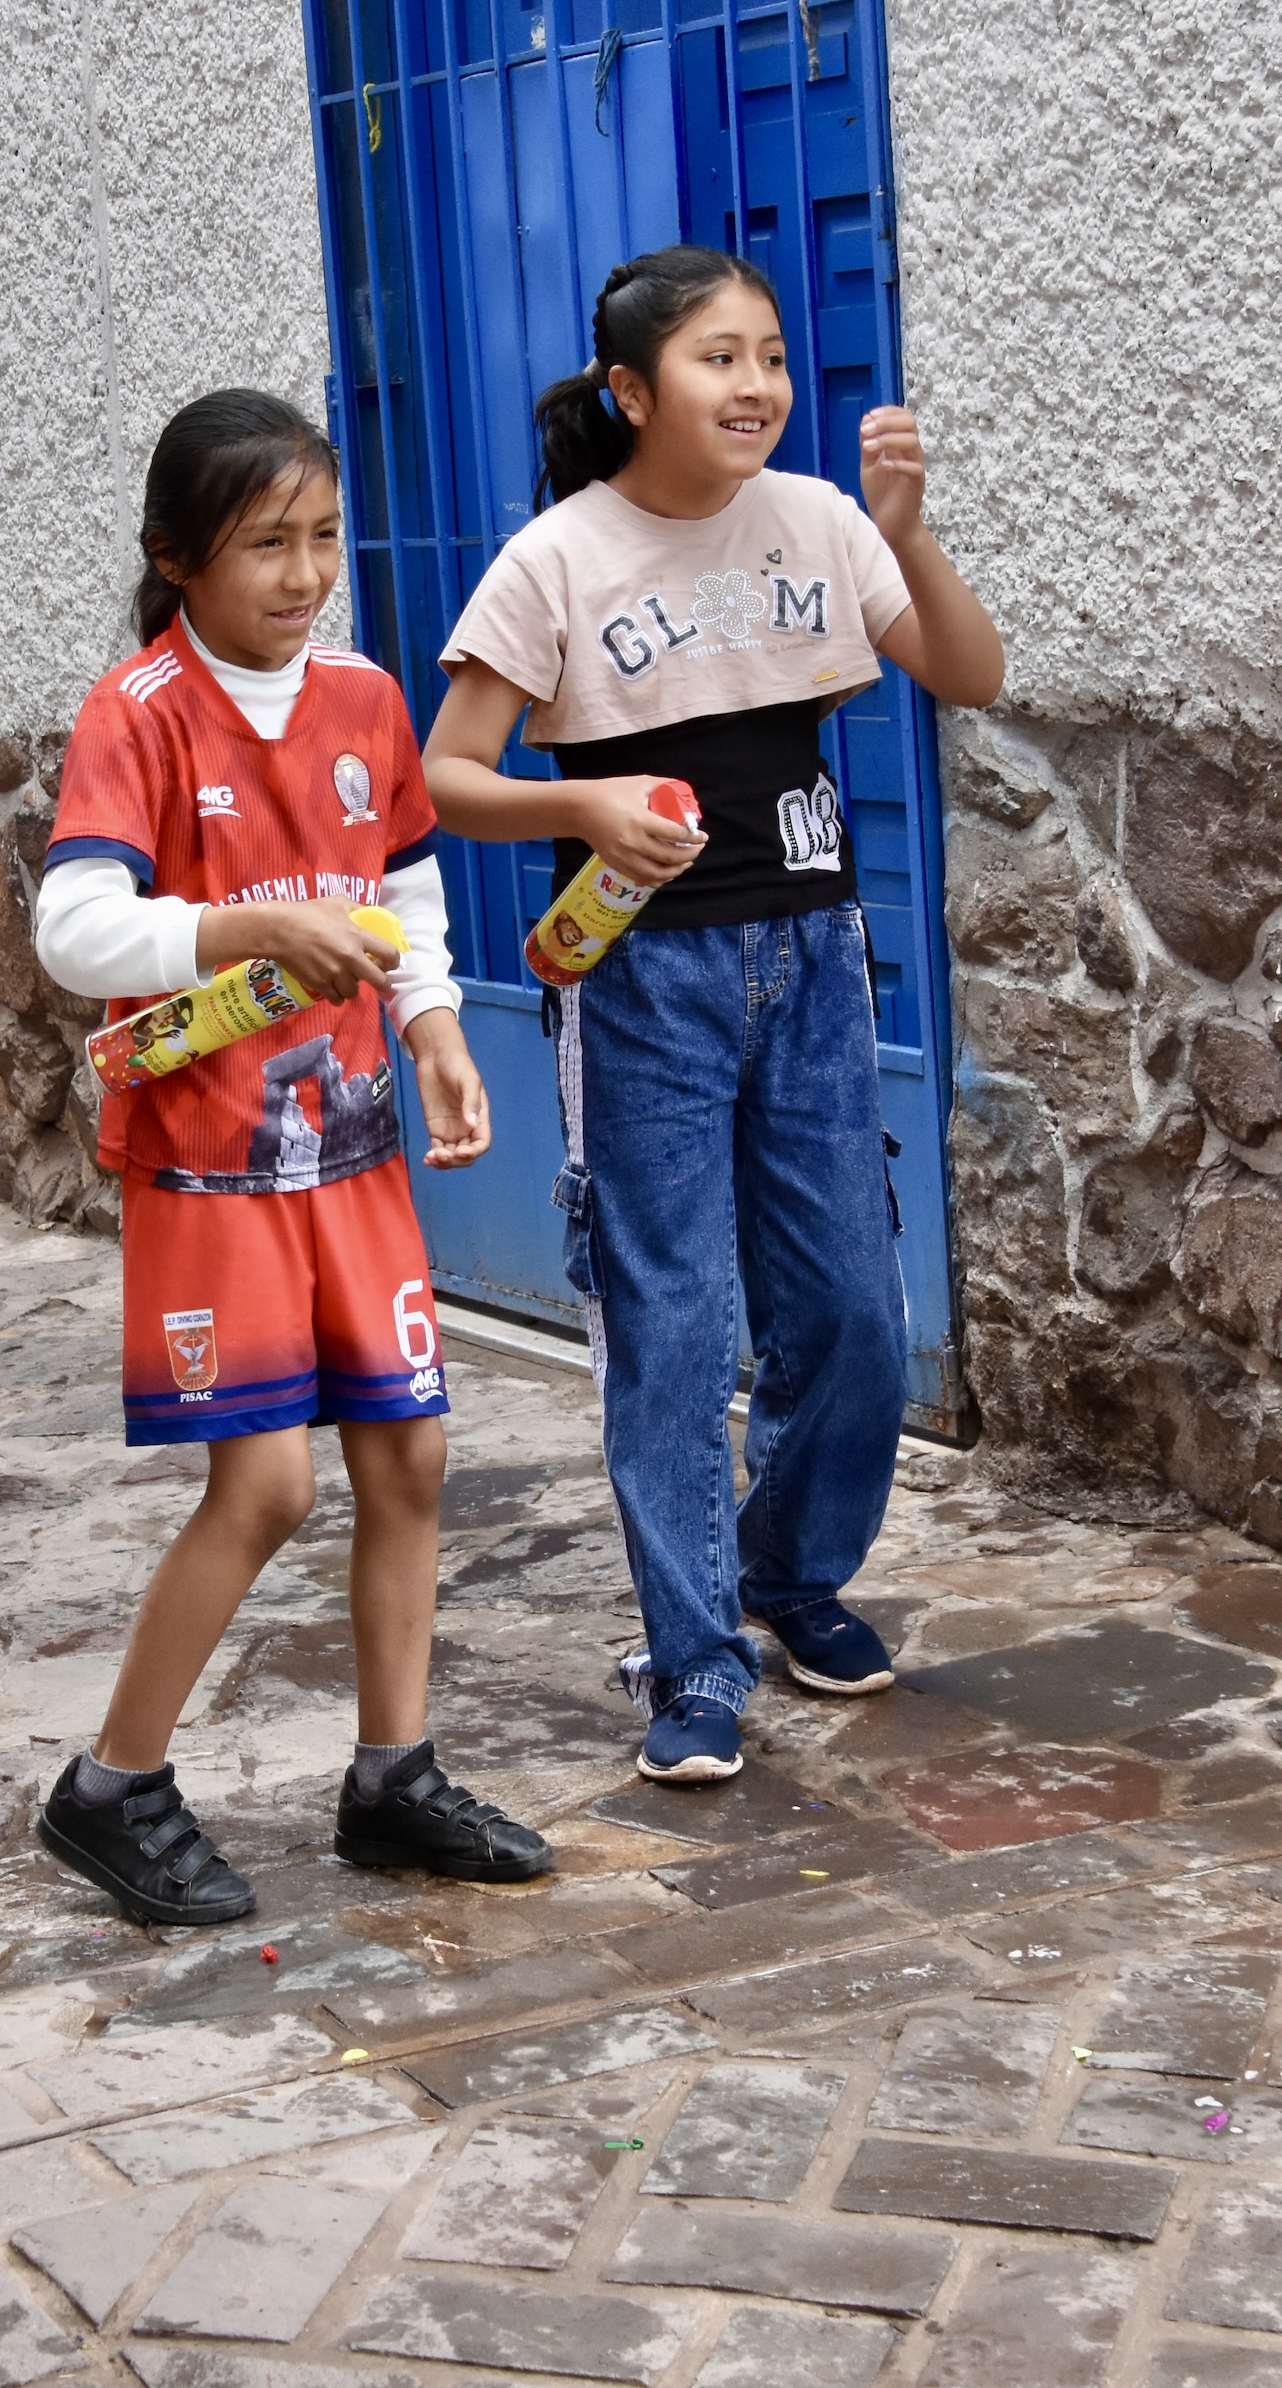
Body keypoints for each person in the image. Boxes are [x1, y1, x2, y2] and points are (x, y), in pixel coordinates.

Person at [422, 246, 1003, 1786]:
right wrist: (588, 802)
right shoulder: (555, 560)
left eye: (767, 357)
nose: (754, 387)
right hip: (639, 983)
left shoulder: (815, 521)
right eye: (714, 361)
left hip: (812, 955)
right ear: (630, 390)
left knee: (856, 1321)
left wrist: (904, 536)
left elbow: (970, 670)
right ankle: (691, 1660)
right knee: (673, 1333)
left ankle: (791, 1576)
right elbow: (447, 776)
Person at [30, 387, 554, 1926]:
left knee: (410, 1457)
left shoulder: (366, 698)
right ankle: (113, 1785)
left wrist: (438, 1022)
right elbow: (73, 930)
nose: (303, 571)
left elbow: (404, 885)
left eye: (321, 537)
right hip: (210, 1164)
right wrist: (246, 924)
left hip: (354, 1149)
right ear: (176, 556)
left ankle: (394, 1776)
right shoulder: (136, 713)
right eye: (267, 543)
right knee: (260, 1492)